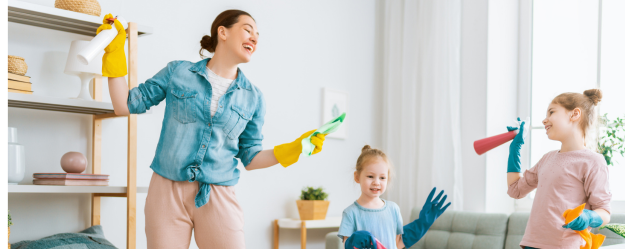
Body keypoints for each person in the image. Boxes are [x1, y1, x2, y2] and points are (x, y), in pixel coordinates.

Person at [97, 10, 327, 248]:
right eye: (248, 29)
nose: (255, 38)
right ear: (223, 32)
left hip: (219, 194)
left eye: (258, 34)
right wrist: (114, 52)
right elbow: (124, 105)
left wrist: (296, 149)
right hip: (167, 191)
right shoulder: (178, 72)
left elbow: (251, 157)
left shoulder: (254, 98)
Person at [506, 89, 612, 249]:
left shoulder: (593, 161)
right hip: (532, 244)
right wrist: (515, 149)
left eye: (551, 112)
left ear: (575, 114)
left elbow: (604, 212)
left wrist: (589, 217)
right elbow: (515, 190)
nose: (544, 120)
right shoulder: (547, 159)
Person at [340, 145, 451, 249]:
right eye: (370, 176)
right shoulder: (350, 213)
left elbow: (397, 243)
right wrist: (354, 241)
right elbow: (347, 245)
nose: (376, 182)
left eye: (382, 178)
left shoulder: (393, 209)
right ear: (357, 177)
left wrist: (423, 223)